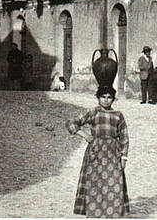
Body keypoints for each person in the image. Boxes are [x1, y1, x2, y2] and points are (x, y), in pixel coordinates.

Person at [66, 85, 130, 217]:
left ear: (113, 99)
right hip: (95, 153)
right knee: (95, 183)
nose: (106, 100)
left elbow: (124, 136)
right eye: (103, 97)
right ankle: (94, 213)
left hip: (113, 154)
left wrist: (124, 157)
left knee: (113, 183)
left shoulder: (118, 115)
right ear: (98, 98)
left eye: (109, 98)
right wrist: (85, 135)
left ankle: (112, 213)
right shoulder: (93, 112)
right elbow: (71, 123)